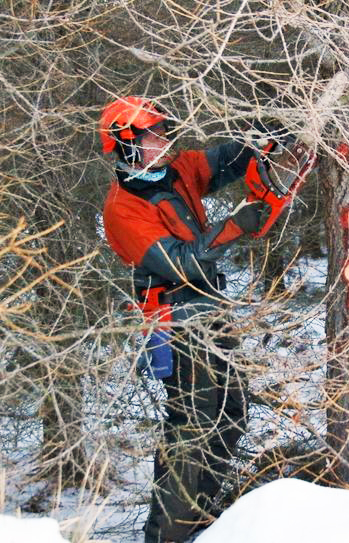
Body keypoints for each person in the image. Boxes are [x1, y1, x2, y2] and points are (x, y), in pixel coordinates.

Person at [98, 96, 268, 543]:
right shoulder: (123, 208)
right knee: (192, 423)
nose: (164, 142)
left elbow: (225, 159)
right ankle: (167, 536)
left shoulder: (176, 169)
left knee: (231, 411)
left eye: (163, 132)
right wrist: (237, 224)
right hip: (175, 320)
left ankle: (202, 520)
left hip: (210, 309)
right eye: (153, 136)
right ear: (127, 145)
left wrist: (263, 131)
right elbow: (182, 262)